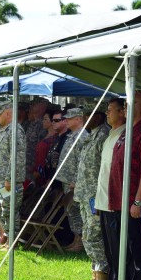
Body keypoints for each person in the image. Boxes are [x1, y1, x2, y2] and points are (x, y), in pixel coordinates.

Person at [107, 90, 141, 280]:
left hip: (133, 202)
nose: (125, 108)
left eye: (130, 104)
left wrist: (138, 200)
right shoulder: (128, 130)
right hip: (119, 200)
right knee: (125, 250)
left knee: (138, 251)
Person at [74, 108, 110, 280]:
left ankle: (102, 279)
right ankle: (95, 277)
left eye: (90, 115)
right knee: (87, 234)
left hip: (96, 195)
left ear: (99, 115)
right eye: (84, 116)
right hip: (85, 194)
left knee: (95, 236)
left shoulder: (104, 134)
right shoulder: (92, 135)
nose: (86, 119)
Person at [96, 98, 127, 280]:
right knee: (109, 249)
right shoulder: (110, 135)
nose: (107, 114)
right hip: (104, 200)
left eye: (111, 110)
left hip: (114, 202)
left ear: (123, 112)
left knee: (117, 250)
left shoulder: (124, 135)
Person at [0, 100, 26, 247]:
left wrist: (10, 179)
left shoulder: (15, 130)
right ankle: (8, 240)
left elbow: (17, 157)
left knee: (9, 211)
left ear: (8, 113)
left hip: (9, 181)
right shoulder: (4, 131)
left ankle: (13, 243)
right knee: (1, 211)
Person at [56, 108, 89, 252]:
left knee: (75, 210)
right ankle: (76, 240)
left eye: (70, 118)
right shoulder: (72, 135)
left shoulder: (82, 136)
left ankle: (80, 242)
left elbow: (83, 161)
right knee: (70, 210)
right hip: (67, 180)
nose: (66, 121)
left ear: (79, 119)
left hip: (75, 183)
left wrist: (76, 180)